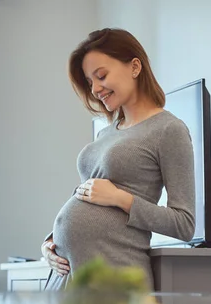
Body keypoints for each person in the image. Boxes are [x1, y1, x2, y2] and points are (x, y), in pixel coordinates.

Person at [41, 28, 196, 290]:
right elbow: (87, 195)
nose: (95, 89)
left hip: (114, 280)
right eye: (90, 82)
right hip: (68, 276)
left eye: (101, 76)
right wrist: (51, 242)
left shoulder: (169, 130)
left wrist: (121, 199)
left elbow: (185, 224)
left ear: (135, 67)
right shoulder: (106, 132)